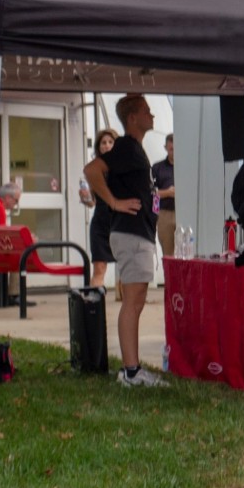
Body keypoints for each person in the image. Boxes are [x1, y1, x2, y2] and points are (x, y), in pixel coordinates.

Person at [84, 94, 165, 388]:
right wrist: (114, 202)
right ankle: (131, 371)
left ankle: (132, 368)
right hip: (130, 233)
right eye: (146, 111)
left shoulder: (134, 150)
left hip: (138, 233)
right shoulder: (127, 147)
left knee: (137, 300)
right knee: (133, 302)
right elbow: (92, 170)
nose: (152, 115)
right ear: (132, 117)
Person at [80, 129, 119, 289]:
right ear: (98, 147)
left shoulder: (123, 168)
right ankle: (94, 308)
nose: (107, 146)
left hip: (120, 222)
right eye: (103, 143)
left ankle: (129, 307)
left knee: (128, 269)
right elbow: (92, 202)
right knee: (99, 268)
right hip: (101, 222)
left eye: (110, 142)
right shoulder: (94, 169)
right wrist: (85, 197)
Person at [152, 133, 176, 258]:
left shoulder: (188, 167)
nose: (174, 151)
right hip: (164, 214)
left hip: (184, 213)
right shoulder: (157, 168)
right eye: (171, 148)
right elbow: (151, 193)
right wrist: (168, 192)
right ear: (166, 148)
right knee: (168, 254)